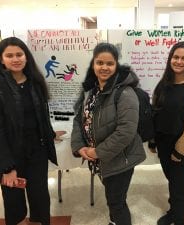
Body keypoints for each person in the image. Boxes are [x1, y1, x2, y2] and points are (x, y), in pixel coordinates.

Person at [0, 37, 65, 225]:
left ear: (26, 57)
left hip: (37, 153)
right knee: (14, 203)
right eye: (9, 55)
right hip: (10, 155)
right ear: (1, 59)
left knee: (40, 199)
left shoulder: (35, 82)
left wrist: (50, 134)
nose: (15, 59)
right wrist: (8, 168)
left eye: (19, 54)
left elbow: (40, 116)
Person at [71, 42, 146, 225]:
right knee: (113, 198)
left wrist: (97, 152)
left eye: (109, 63)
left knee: (116, 202)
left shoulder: (125, 93)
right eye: (99, 62)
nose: (104, 67)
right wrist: (79, 145)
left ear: (116, 65)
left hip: (119, 159)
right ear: (93, 64)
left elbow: (126, 131)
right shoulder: (91, 90)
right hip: (100, 160)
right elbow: (79, 119)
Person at [148, 41, 184, 225]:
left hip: (183, 149)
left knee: (179, 189)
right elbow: (155, 112)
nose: (179, 61)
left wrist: (180, 150)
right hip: (164, 145)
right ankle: (173, 212)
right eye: (176, 57)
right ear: (170, 59)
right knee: (173, 183)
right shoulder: (163, 84)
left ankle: (179, 219)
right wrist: (152, 140)